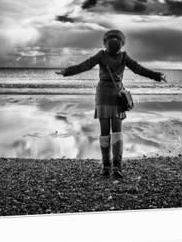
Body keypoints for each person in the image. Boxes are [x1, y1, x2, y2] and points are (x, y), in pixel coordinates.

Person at [55, 29, 166, 179]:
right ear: (122, 43)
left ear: (105, 42)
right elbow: (139, 69)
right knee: (117, 133)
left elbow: (85, 66)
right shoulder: (124, 56)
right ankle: (117, 167)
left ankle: (106, 167)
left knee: (105, 133)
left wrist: (67, 71)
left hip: (103, 95)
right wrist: (157, 76)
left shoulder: (101, 55)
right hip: (116, 95)